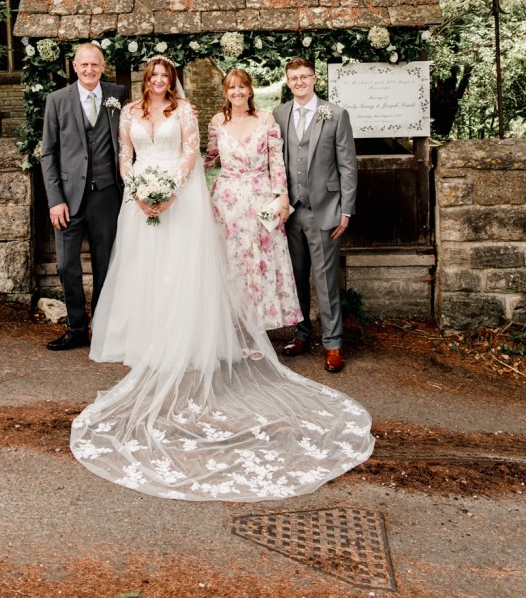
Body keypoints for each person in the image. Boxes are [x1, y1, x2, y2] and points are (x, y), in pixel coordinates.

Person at [71, 56, 373, 502]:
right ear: (145, 80)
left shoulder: (197, 113)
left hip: (199, 198)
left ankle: (315, 339)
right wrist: (139, 191)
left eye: (164, 75)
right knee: (146, 273)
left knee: (200, 272)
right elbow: (126, 155)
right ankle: (146, 338)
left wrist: (170, 190)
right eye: (153, 75)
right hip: (160, 204)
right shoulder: (135, 113)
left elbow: (195, 156)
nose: (158, 80)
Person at [41, 42, 127, 351]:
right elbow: (48, 154)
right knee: (67, 266)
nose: (89, 70)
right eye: (83, 65)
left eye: (95, 64)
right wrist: (54, 200)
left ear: (103, 66)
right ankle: (77, 328)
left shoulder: (118, 94)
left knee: (106, 265)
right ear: (74, 67)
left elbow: (149, 116)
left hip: (107, 196)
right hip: (67, 198)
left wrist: (183, 109)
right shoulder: (57, 100)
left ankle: (101, 329)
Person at [273, 57, 357, 374]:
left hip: (324, 211)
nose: (299, 82)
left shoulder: (335, 114)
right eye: (293, 77)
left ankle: (333, 344)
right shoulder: (279, 115)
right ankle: (301, 334)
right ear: (287, 80)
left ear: (314, 79)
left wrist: (345, 210)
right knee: (296, 280)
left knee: (325, 281)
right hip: (290, 212)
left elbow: (348, 166)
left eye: (304, 76)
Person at [204, 67, 301, 330]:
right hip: (227, 203)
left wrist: (282, 197)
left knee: (259, 261)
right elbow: (210, 160)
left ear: (250, 89)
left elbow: (276, 163)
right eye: (231, 87)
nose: (237, 92)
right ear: (226, 92)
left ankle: (259, 328)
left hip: (260, 197)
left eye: (241, 86)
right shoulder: (216, 122)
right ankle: (234, 329)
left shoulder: (266, 119)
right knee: (232, 263)